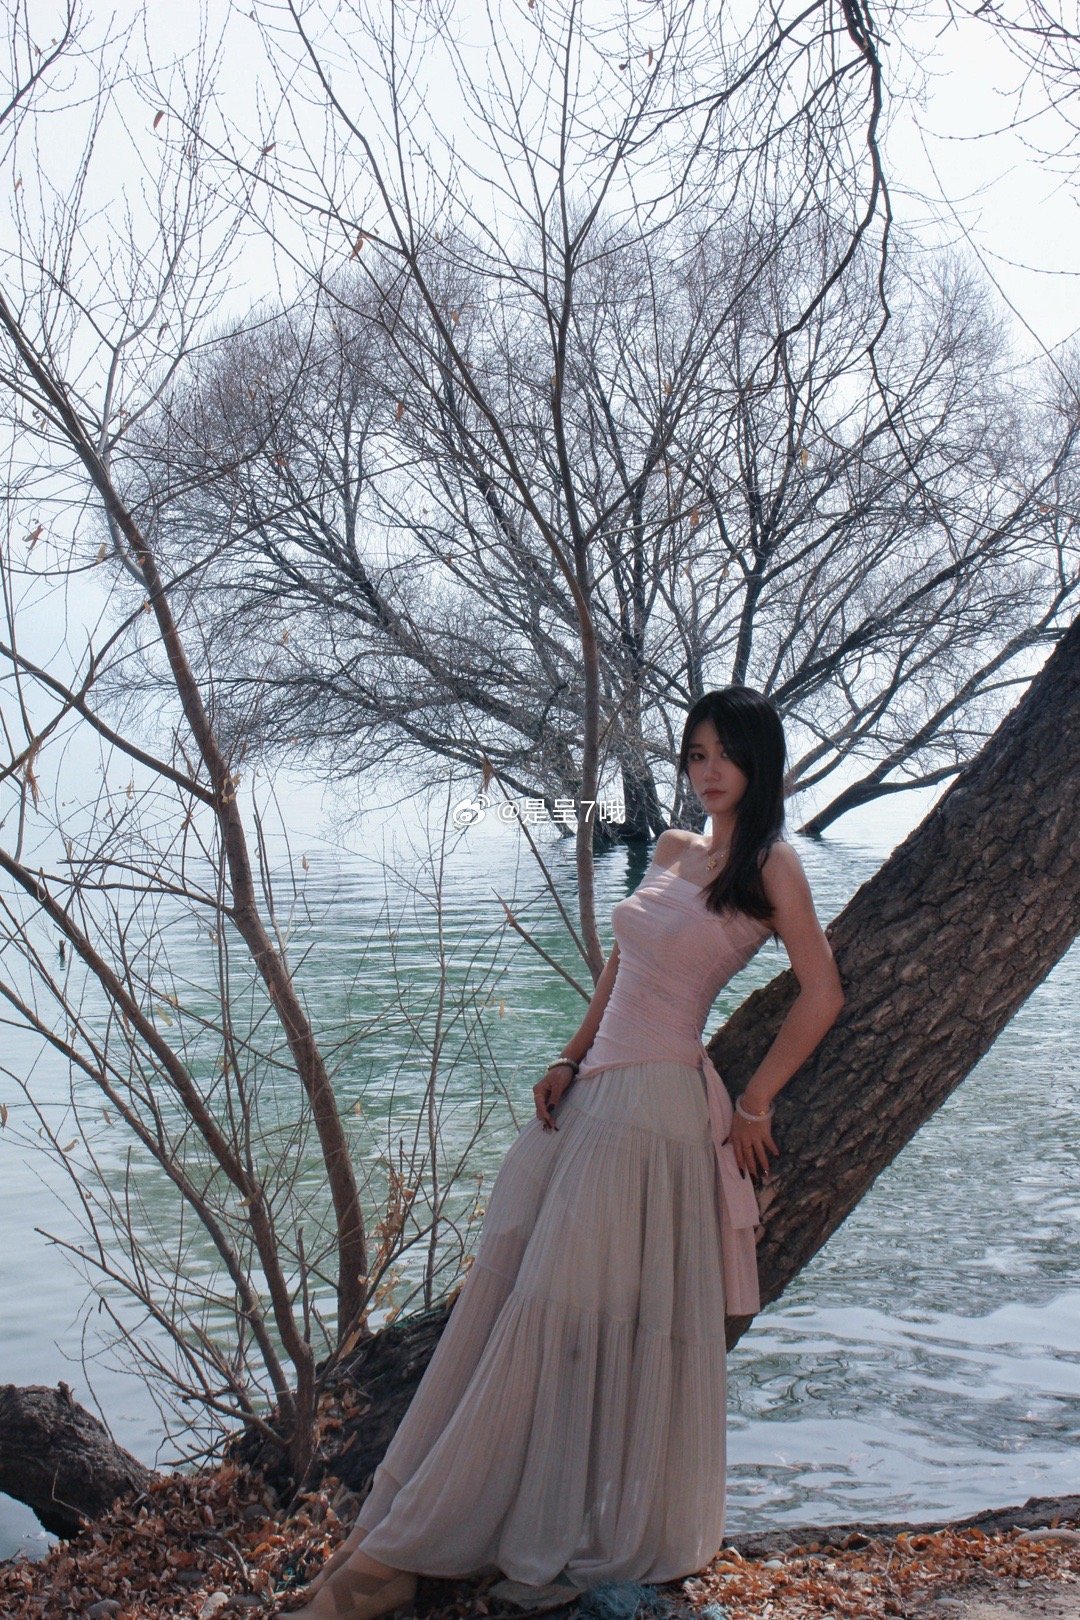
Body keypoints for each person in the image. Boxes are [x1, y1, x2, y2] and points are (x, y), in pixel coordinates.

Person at [285, 686, 845, 1620]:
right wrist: (567, 1055)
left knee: (571, 1310)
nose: (707, 772)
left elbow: (822, 993)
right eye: (695, 755)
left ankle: (478, 1535)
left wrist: (755, 1101)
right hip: (593, 1097)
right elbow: (622, 966)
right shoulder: (674, 850)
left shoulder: (772, 865)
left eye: (724, 755)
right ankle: (435, 1529)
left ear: (761, 762)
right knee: (518, 1297)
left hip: (656, 1105)